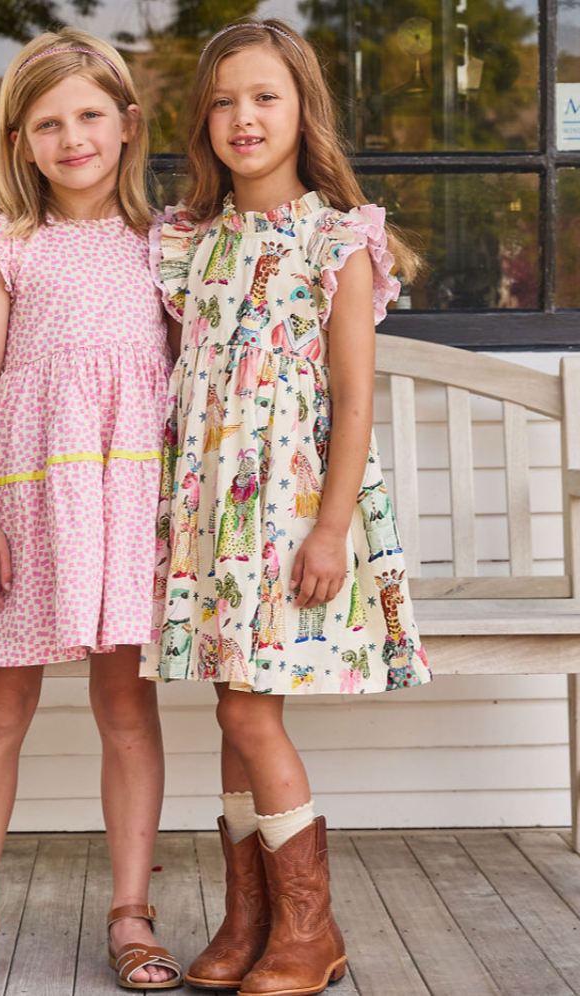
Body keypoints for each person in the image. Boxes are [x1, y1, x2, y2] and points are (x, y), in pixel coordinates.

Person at [143, 19, 431, 996]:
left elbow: (353, 399)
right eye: (223, 100)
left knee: (246, 709)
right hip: (214, 516)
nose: (243, 117)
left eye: (264, 96)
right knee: (233, 710)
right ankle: (250, 916)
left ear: (303, 108)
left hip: (292, 512)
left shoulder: (336, 236)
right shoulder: (194, 242)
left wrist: (331, 528)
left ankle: (312, 929)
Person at [0, 28, 181, 991]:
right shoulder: (6, 246)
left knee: (125, 703)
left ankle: (131, 911)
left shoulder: (170, 243)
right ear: (22, 141)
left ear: (127, 125)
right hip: (28, 508)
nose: (72, 138)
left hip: (123, 507)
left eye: (89, 117)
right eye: (48, 123)